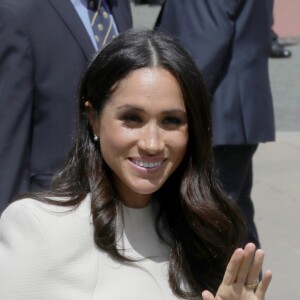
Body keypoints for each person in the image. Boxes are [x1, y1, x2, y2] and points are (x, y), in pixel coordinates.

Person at [0, 29, 271, 300]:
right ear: (93, 118)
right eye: (132, 118)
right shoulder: (39, 228)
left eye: (171, 121)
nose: (152, 143)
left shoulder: (208, 231)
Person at [155, 0, 275, 250]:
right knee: (233, 215)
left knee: (211, 222)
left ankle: (225, 286)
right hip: (231, 107)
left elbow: (203, 43)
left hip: (215, 110)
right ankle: (248, 286)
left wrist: (169, 106)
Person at [0, 0, 132, 214]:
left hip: (119, 205)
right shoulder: (18, 13)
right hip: (52, 204)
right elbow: (8, 138)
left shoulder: (117, 6)